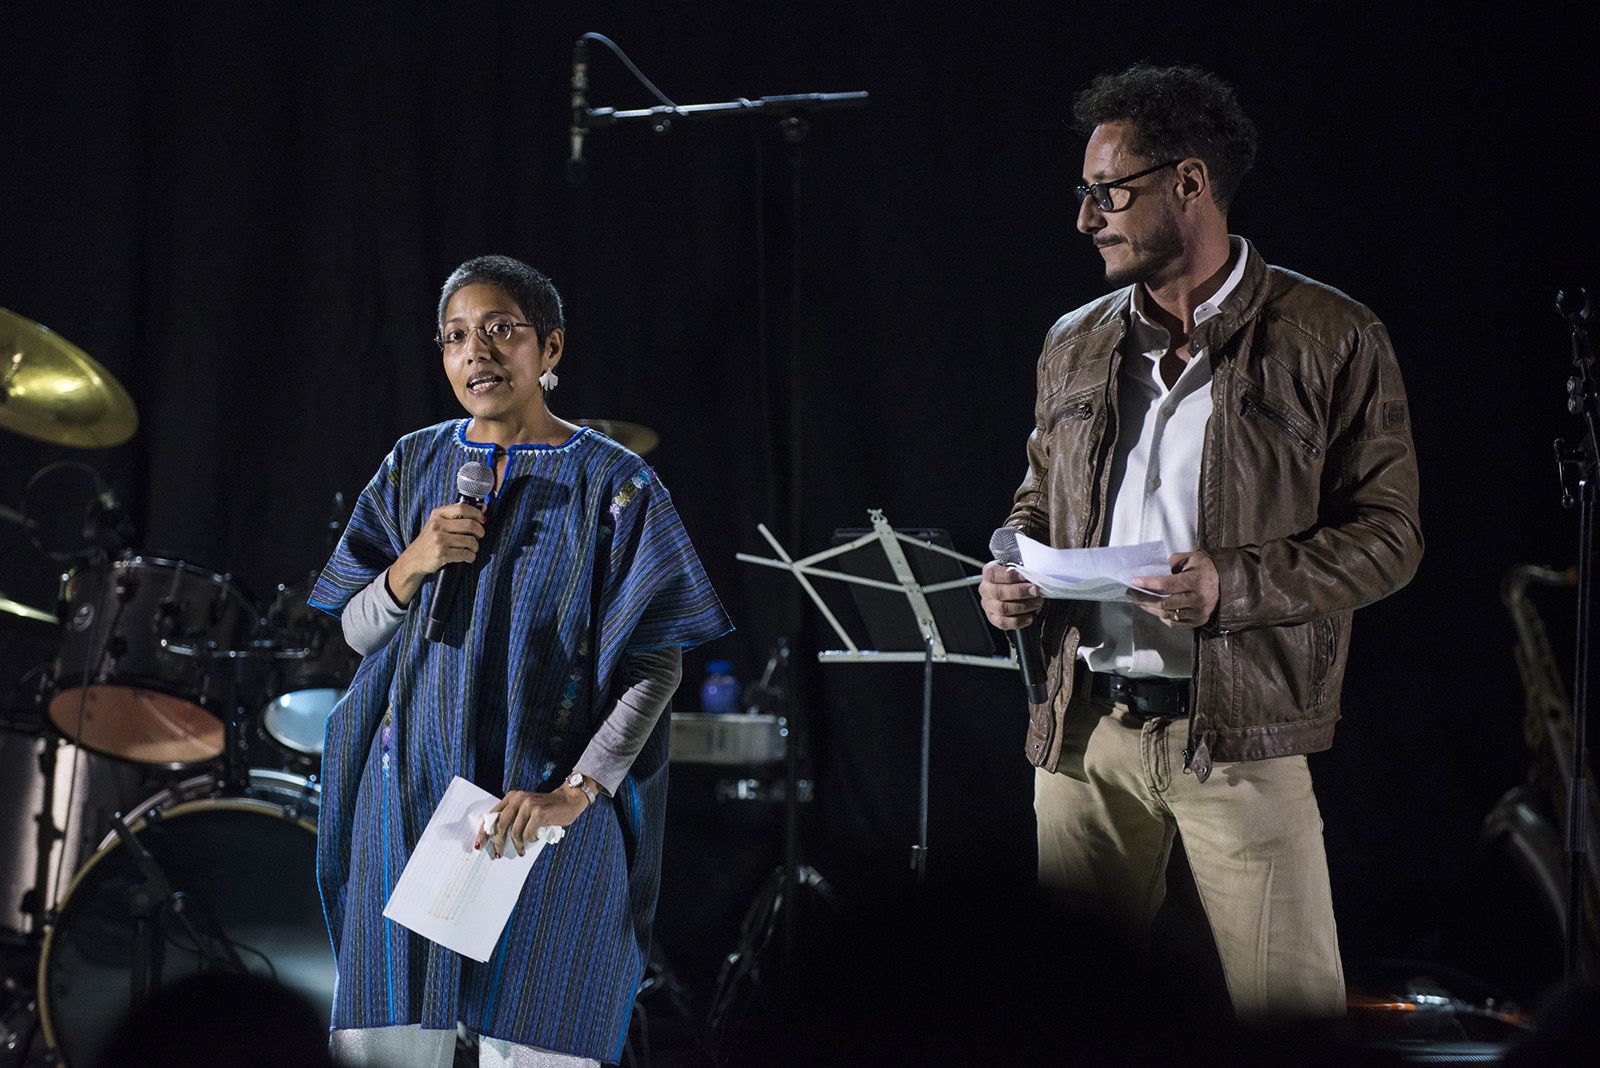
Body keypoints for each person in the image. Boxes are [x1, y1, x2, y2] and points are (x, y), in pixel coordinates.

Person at [978, 63, 1422, 1021]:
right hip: (1084, 729)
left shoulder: (1331, 334)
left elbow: (1390, 537)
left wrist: (1235, 584)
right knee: (1059, 1021)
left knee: (1291, 1015)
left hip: (1241, 735)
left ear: (1190, 183)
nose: (1089, 217)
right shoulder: (1074, 340)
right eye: (1085, 196)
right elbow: (1035, 497)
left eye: (1110, 193)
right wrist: (1011, 567)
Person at [308, 255, 732, 1067]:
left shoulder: (618, 485)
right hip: (408, 810)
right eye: (458, 336)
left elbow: (655, 665)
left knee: (542, 1040)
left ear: (551, 347)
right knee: (388, 1039)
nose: (479, 353)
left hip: (536, 817)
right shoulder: (411, 465)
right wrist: (412, 563)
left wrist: (576, 793)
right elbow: (358, 634)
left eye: (502, 330)